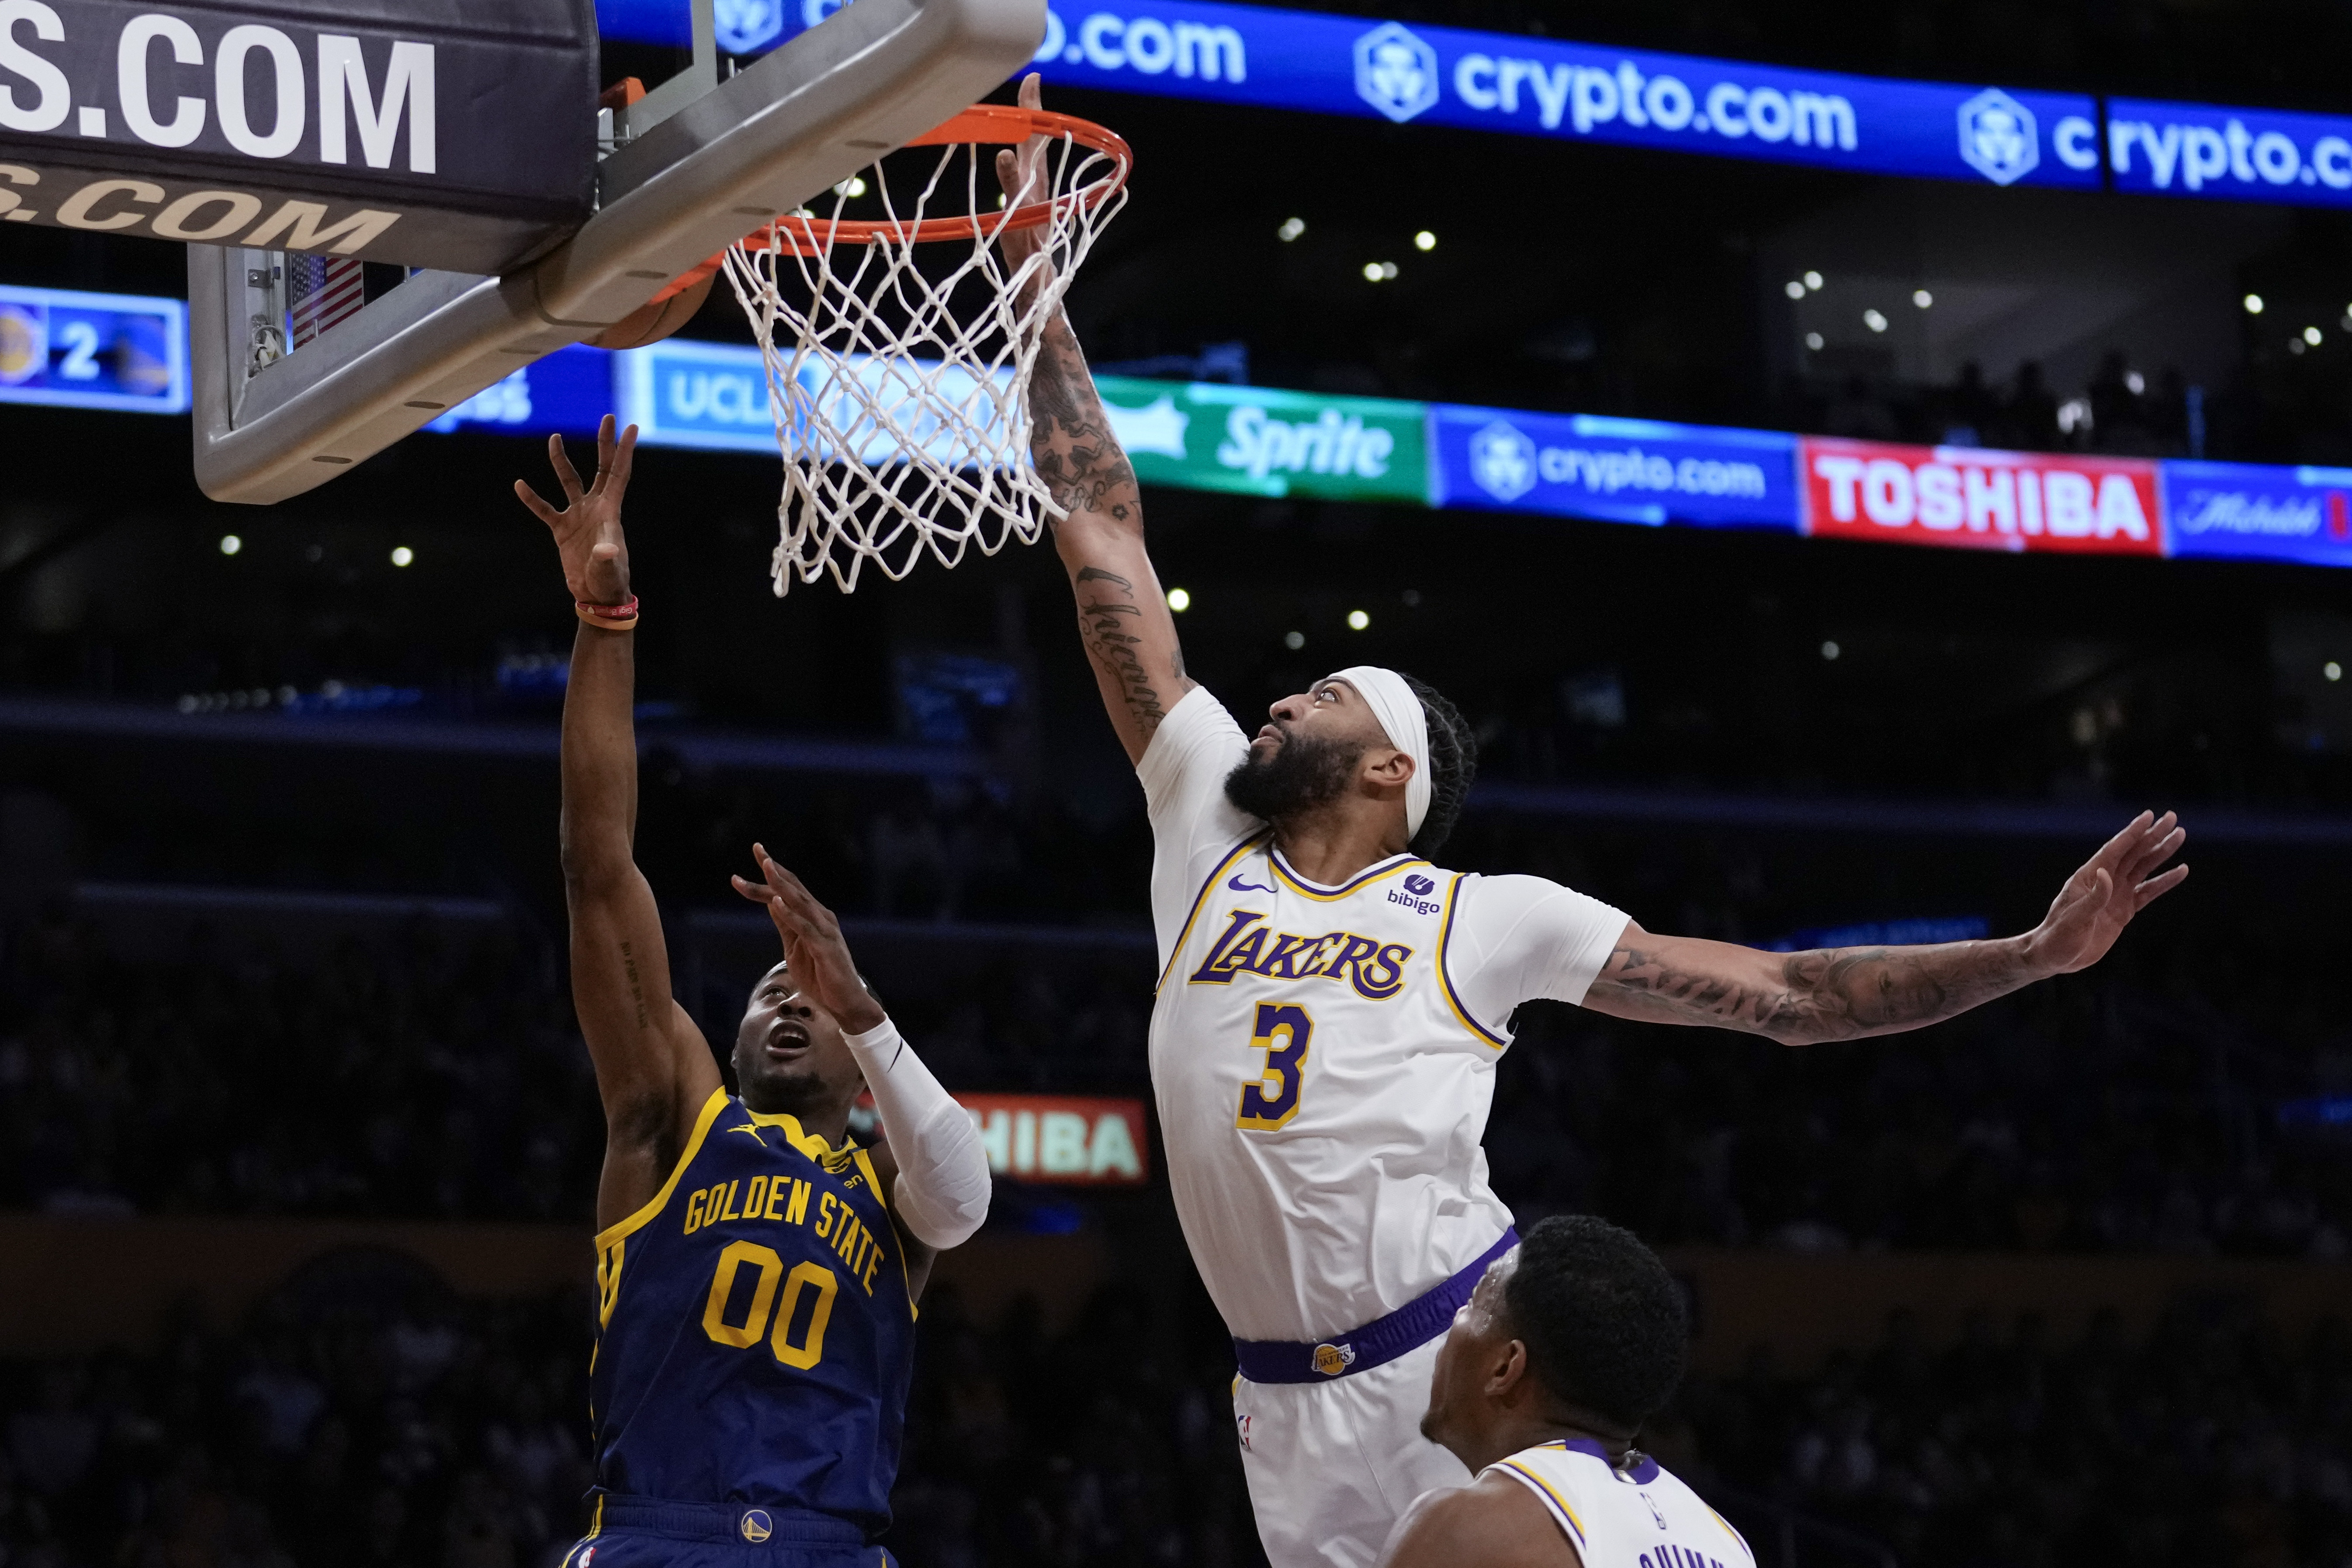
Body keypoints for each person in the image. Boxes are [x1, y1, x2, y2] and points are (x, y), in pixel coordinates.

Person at [994, 73, 2190, 1568]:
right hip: (1272, 1402)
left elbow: (1788, 995)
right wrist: (1033, 290)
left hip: (1464, 1372)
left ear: (1392, 774)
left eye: (1327, 693)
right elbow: (1100, 522)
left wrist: (2028, 953)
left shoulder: (1482, 912)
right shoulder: (1201, 824)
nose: (1282, 697)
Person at [516, 418, 991, 1567]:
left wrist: (861, 999)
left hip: (834, 1546)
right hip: (656, 1535)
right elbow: (596, 859)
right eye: (769, 989)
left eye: (813, 998)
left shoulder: (895, 1194)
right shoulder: (668, 1114)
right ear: (722, 1031)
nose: (789, 1001)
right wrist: (605, 621)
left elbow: (967, 1194)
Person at [1377, 1216, 1747, 1568]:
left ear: (1505, 1366)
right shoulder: (1727, 1544)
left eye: (1474, 1302)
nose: (1453, 1321)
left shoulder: (1466, 1530)